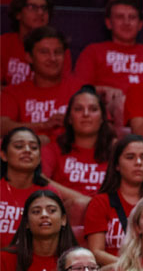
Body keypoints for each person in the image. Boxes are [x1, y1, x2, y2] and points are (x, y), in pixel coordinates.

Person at [73, 0, 143, 130]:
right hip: (108, 111)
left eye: (132, 18)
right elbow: (77, 89)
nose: (126, 23)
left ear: (140, 24)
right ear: (108, 23)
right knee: (121, 103)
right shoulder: (93, 51)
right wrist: (103, 89)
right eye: (120, 17)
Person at [40, 85, 115, 220]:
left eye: (93, 109)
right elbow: (39, 179)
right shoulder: (53, 149)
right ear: (69, 118)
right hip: (66, 216)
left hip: (108, 214)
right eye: (79, 109)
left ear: (103, 117)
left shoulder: (116, 151)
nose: (86, 114)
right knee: (79, 206)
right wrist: (83, 200)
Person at [0, 26, 83, 142]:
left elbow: (105, 127)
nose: (52, 58)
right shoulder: (13, 92)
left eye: (58, 52)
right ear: (29, 57)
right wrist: (43, 125)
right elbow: (2, 125)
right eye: (44, 52)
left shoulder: (81, 90)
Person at [85, 134, 143, 266]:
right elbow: (96, 252)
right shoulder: (100, 202)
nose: (138, 162)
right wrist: (131, 269)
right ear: (117, 165)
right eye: (130, 157)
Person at [0, 189, 78, 271]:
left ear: (63, 220)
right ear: (26, 222)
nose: (44, 215)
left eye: (51, 210)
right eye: (36, 211)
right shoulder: (5, 259)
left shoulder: (76, 261)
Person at [0, 0, 71, 87]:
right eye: (32, 7)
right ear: (18, 14)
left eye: (44, 8)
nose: (40, 12)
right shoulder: (3, 43)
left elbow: (62, 89)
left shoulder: (58, 47)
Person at [0, 127, 56, 248]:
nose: (27, 150)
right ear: (3, 155)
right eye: (19, 146)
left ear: (40, 157)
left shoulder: (49, 193)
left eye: (34, 147)